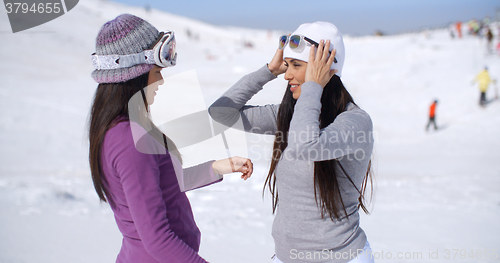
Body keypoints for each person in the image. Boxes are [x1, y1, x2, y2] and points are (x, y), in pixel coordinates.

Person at [88, 14, 253, 263]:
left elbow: (157, 185)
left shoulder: (119, 129)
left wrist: (216, 167)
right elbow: (158, 240)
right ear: (133, 76)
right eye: (156, 72)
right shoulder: (129, 140)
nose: (161, 80)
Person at [209, 22, 374, 263]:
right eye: (286, 65)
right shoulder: (289, 116)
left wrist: (313, 86)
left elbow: (305, 146)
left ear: (328, 67)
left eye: (296, 65)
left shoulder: (356, 122)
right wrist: (268, 70)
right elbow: (221, 113)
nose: (287, 75)